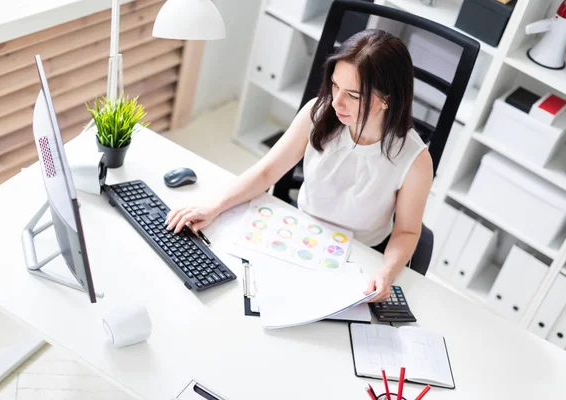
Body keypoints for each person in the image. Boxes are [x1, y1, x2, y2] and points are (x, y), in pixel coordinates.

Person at [165, 29, 433, 302]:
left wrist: (386, 271)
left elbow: (407, 231)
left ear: (386, 99)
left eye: (353, 95)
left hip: (359, 254)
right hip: (301, 232)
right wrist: (214, 206)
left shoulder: (414, 160)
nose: (336, 101)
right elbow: (267, 170)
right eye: (335, 85)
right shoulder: (319, 112)